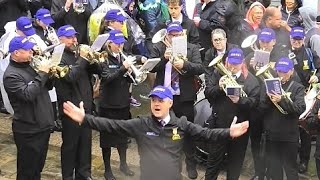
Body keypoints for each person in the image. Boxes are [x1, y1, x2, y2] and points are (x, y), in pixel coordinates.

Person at [63, 85, 250, 180]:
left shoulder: (182, 124)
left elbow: (206, 134)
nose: (156, 104)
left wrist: (228, 132)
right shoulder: (141, 124)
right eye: (153, 100)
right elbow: (111, 125)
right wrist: (84, 118)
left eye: (161, 100)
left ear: (170, 103)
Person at [149, 22, 204, 179]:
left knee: (187, 131)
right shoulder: (159, 47)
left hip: (184, 97)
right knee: (166, 133)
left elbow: (200, 68)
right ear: (167, 35)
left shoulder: (191, 48)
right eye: (171, 35)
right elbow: (151, 67)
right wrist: (163, 58)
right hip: (165, 97)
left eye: (177, 35)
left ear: (182, 35)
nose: (174, 37)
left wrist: (184, 64)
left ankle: (191, 165)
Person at [204, 48, 260, 180]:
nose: (232, 66)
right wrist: (219, 87)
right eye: (230, 62)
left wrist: (240, 100)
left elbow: (254, 103)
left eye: (236, 63)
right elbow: (208, 94)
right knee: (213, 163)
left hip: (240, 129)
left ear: (242, 63)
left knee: (235, 165)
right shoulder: (218, 74)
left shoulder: (251, 81)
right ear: (227, 61)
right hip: (219, 125)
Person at [3, 36, 55, 180]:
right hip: (28, 130)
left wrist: (49, 74)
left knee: (37, 168)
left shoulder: (31, 65)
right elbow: (28, 95)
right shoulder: (11, 75)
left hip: (42, 126)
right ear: (16, 53)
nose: (31, 52)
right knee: (27, 171)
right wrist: (42, 74)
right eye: (27, 50)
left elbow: (47, 87)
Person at [55, 25, 101, 180]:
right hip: (69, 108)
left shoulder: (78, 54)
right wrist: (82, 58)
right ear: (60, 39)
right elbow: (70, 76)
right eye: (69, 37)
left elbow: (97, 70)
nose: (74, 40)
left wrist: (93, 59)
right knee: (70, 146)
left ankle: (84, 173)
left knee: (85, 144)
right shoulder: (58, 57)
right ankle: (67, 176)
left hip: (85, 106)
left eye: (74, 36)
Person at [98, 30, 147, 179]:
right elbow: (107, 78)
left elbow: (128, 78)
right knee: (106, 139)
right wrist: (123, 68)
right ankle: (107, 169)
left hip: (123, 103)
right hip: (108, 105)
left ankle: (123, 164)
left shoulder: (123, 57)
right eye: (117, 43)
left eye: (122, 43)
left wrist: (135, 71)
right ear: (109, 44)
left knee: (122, 137)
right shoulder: (103, 58)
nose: (120, 46)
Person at [259, 57, 305, 180]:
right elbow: (261, 109)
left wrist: (282, 100)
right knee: (274, 170)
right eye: (279, 71)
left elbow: (299, 109)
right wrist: (268, 99)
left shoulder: (298, 87)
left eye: (285, 71)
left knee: (291, 170)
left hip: (289, 137)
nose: (282, 74)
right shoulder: (268, 85)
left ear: (291, 71)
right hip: (272, 136)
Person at [289, 26, 320, 174]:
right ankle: (290, 160)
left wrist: (317, 77)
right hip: (289, 95)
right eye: (294, 39)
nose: (296, 41)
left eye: (299, 39)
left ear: (303, 40)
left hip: (307, 96)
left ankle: (304, 161)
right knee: (290, 129)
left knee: (305, 131)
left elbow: (319, 70)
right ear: (290, 39)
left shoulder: (310, 53)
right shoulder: (284, 52)